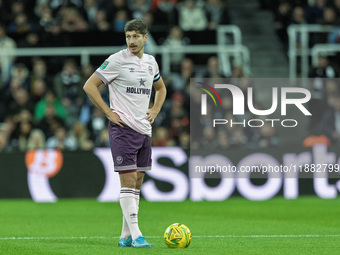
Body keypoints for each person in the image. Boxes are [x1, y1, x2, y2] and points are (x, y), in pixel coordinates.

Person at [83, 19, 166, 248]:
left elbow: (161, 89)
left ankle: (125, 236)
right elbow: (90, 85)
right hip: (123, 130)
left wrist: (155, 109)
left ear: (145, 38)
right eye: (128, 36)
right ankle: (138, 234)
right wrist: (108, 112)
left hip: (144, 130)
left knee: (137, 183)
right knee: (128, 182)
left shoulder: (151, 63)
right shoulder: (117, 60)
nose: (131, 41)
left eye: (136, 36)